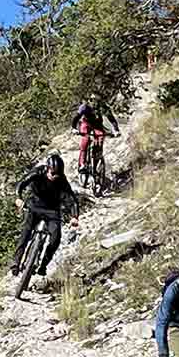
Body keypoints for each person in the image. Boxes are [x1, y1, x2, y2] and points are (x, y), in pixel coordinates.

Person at [11, 153, 79, 286]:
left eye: (57, 174)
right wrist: (18, 197)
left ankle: (43, 265)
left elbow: (72, 199)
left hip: (52, 211)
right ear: (47, 169)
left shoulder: (61, 180)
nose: (54, 176)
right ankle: (16, 262)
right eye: (52, 173)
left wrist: (74, 216)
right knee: (25, 232)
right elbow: (22, 183)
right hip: (34, 205)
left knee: (56, 238)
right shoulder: (38, 172)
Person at [71, 100, 121, 173]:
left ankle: (96, 168)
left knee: (99, 142)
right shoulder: (84, 107)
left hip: (97, 125)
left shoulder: (103, 106)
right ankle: (82, 164)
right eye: (92, 102)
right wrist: (74, 128)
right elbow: (76, 118)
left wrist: (116, 130)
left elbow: (111, 118)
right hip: (86, 124)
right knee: (85, 141)